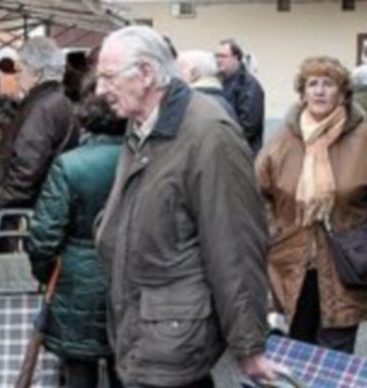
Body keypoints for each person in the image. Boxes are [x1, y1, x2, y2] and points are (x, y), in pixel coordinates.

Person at [94, 26, 275, 388]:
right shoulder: (143, 125)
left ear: (145, 74)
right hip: (143, 324)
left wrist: (248, 345)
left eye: (108, 77)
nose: (100, 90)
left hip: (173, 337)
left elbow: (235, 246)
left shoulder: (209, 134)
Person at [255, 56, 367, 354]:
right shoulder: (282, 141)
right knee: (298, 349)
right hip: (292, 262)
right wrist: (273, 232)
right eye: (313, 84)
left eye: (329, 84)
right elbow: (257, 195)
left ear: (343, 93)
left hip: (348, 262)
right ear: (302, 93)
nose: (320, 91)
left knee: (336, 352)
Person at [26, 76, 125, 388]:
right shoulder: (145, 160)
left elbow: (43, 237)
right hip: (129, 276)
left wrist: (47, 273)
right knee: (125, 368)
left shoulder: (69, 165)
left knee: (78, 373)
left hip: (76, 279)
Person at [0, 37, 77, 219]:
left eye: (20, 69)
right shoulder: (55, 100)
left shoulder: (43, 107)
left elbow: (26, 171)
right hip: (42, 206)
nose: (16, 76)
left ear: (37, 72)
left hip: (29, 212)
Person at [217, 39, 265, 154]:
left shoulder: (249, 85)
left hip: (242, 153)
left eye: (223, 56)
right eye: (217, 56)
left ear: (236, 57)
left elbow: (248, 127)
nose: (218, 60)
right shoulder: (220, 82)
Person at [177, 50, 237, 120]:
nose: (176, 75)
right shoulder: (223, 103)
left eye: (179, 69)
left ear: (193, 74)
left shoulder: (191, 106)